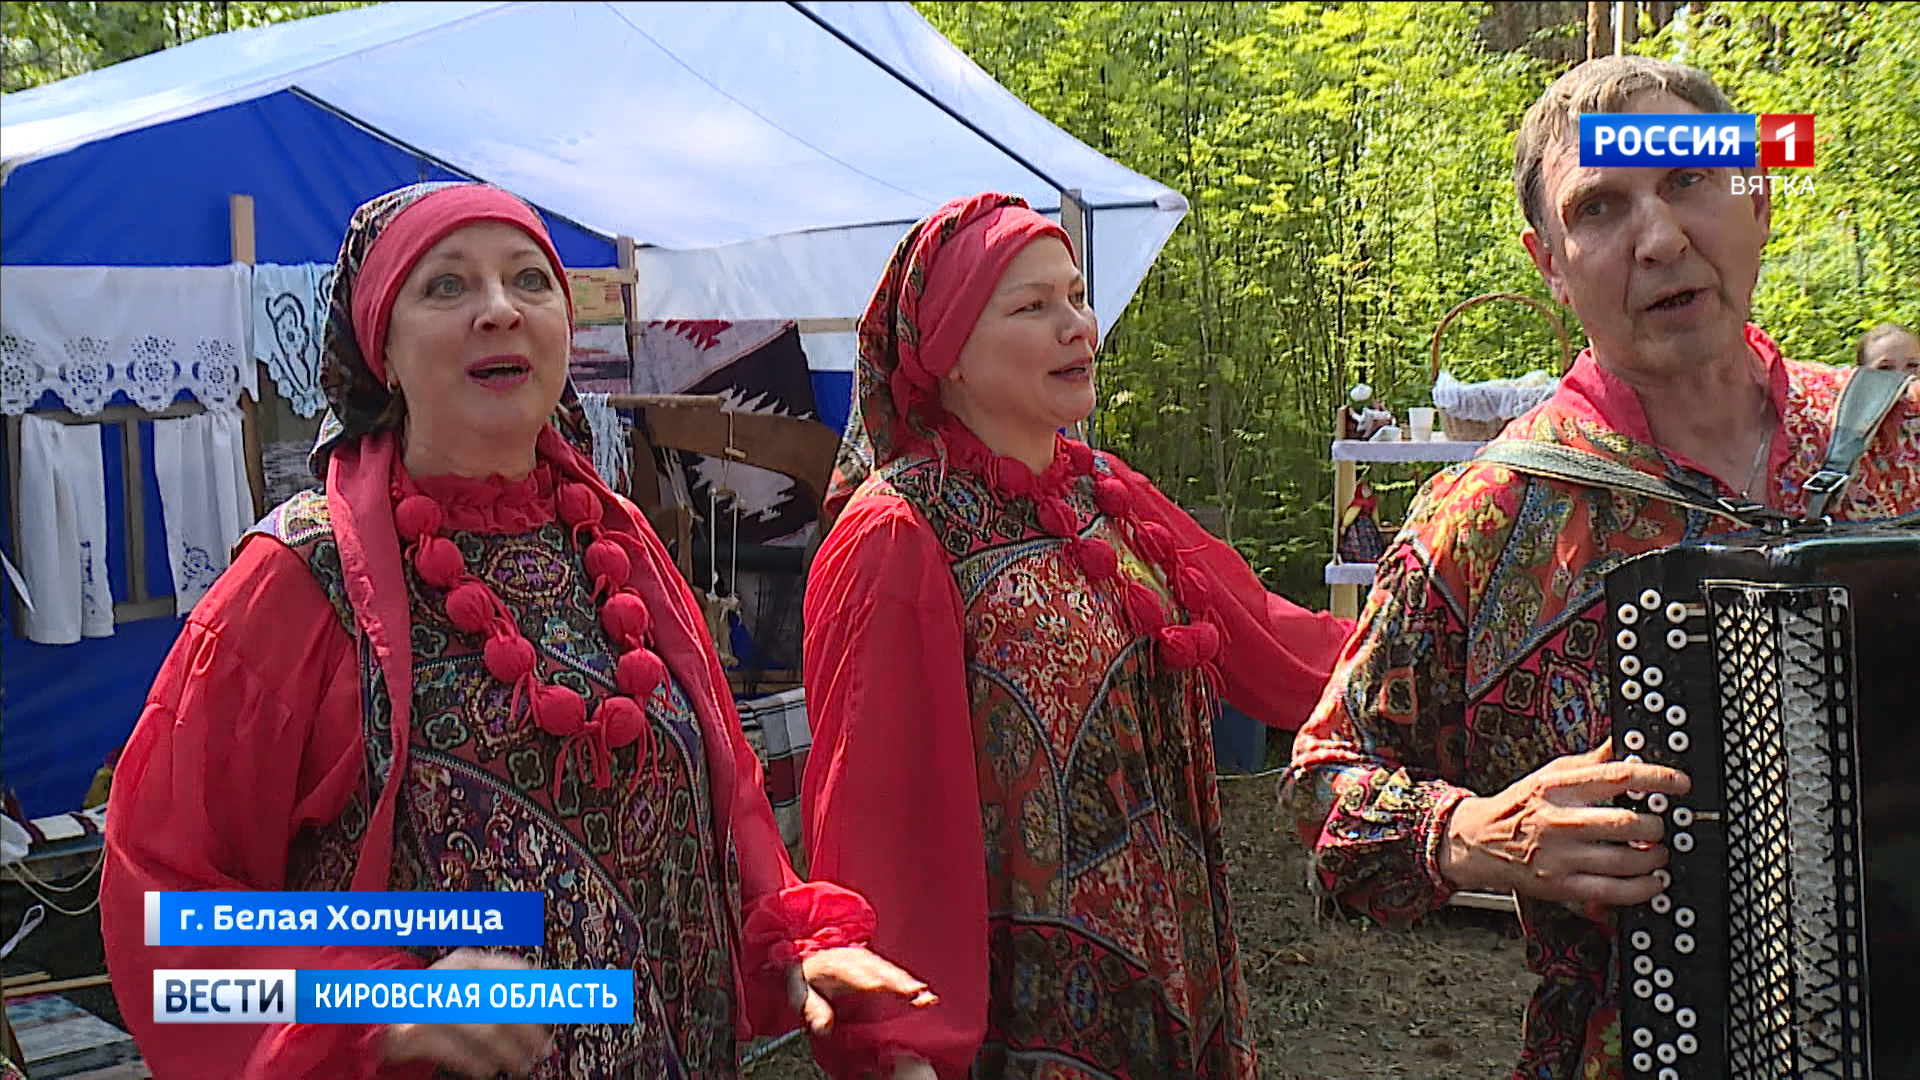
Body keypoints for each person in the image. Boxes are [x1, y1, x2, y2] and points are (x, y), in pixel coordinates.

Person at [99, 183, 932, 1080]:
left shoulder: (620, 545)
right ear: (382, 346)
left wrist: (795, 950)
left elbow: (725, 811)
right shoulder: (299, 581)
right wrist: (380, 1003)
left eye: (529, 281)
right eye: (447, 287)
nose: (499, 309)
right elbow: (165, 910)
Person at [1285, 55, 1920, 1080]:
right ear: (1550, 262)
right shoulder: (1490, 513)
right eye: (1602, 207)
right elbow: (1324, 787)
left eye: (1688, 184)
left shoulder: (1898, 439)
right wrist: (1474, 832)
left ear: (1755, 201)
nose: (1661, 240)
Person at [800, 192, 1356, 1079]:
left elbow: (1264, 635)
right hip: (1021, 1001)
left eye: (1076, 296)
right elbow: (874, 814)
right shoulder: (900, 532)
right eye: (1033, 307)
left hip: (1171, 950)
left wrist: (1425, 644)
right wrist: (897, 1046)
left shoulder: (1102, 492)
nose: (1077, 327)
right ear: (945, 353)